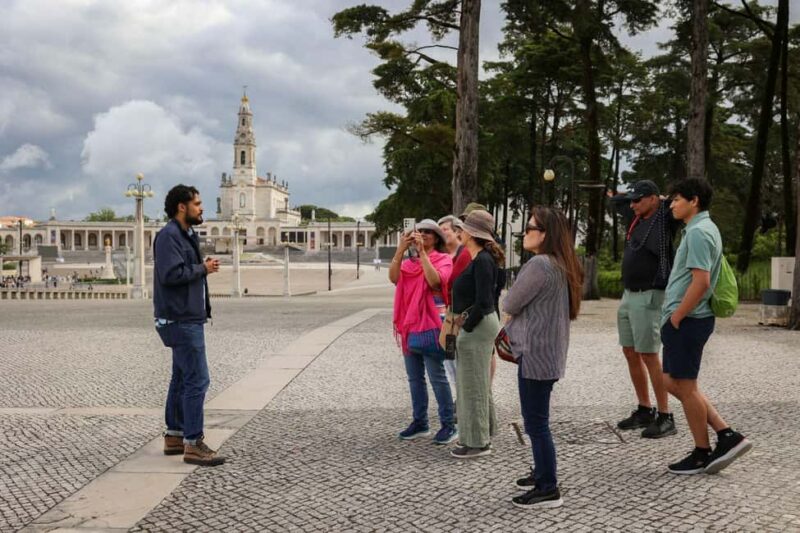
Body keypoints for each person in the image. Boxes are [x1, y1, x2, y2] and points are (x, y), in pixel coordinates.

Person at [661, 177, 752, 475]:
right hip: (686, 321)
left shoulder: (699, 232)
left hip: (688, 321)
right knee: (672, 381)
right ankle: (726, 434)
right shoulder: (699, 229)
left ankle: (702, 452)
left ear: (694, 200)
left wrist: (676, 317)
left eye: (676, 199)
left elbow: (700, 282)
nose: (672, 204)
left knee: (685, 386)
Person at [503, 207, 583, 509]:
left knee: (536, 423)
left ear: (545, 234)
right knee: (538, 420)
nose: (525, 233)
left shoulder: (539, 264)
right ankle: (541, 473)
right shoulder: (561, 264)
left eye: (530, 228)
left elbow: (511, 302)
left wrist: (512, 312)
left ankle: (549, 487)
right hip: (549, 353)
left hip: (536, 354)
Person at [153, 184, 226, 467]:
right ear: (181, 207)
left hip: (185, 316)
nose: (201, 208)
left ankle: (174, 435)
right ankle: (193, 443)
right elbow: (171, 275)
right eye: (196, 203)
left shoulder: (184, 235)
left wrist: (200, 267)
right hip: (180, 319)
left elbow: (182, 270)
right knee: (198, 379)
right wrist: (203, 269)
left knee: (182, 378)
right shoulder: (169, 236)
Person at [608, 180, 681, 439]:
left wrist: (663, 199)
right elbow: (615, 202)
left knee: (649, 354)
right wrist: (628, 195)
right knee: (630, 351)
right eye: (633, 200)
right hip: (629, 294)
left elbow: (679, 204)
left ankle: (665, 415)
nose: (633, 204)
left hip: (650, 294)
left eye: (639, 199)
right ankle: (644, 409)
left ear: (653, 199)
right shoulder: (635, 216)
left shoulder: (664, 218)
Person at [390, 218, 457, 445]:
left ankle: (449, 424)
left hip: (432, 325)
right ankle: (420, 422)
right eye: (421, 231)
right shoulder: (409, 264)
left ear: (437, 237)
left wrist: (423, 255)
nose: (424, 235)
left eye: (429, 232)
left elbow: (435, 282)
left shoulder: (444, 259)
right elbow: (393, 278)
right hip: (409, 326)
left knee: (437, 377)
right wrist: (401, 249)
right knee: (414, 379)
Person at [450, 210, 504, 459]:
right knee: (476, 382)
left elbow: (484, 301)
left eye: (462, 229)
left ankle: (477, 442)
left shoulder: (482, 260)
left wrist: (467, 326)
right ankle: (482, 432)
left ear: (471, 233)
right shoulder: (480, 257)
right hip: (481, 324)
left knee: (471, 384)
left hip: (478, 326)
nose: (459, 232)